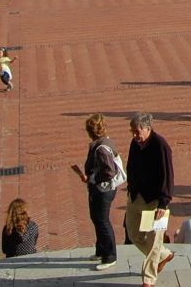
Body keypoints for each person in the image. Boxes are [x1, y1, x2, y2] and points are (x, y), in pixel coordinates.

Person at [125, 112, 175, 284]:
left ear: (147, 128)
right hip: (135, 197)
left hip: (155, 202)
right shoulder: (135, 143)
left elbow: (168, 175)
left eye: (137, 131)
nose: (134, 135)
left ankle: (148, 279)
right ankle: (164, 255)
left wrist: (163, 202)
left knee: (154, 240)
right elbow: (130, 165)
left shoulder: (161, 145)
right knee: (133, 235)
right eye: (132, 131)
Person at [68, 112, 119, 271]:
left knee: (102, 220)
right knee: (96, 218)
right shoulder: (105, 142)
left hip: (103, 190)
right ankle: (101, 250)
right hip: (101, 188)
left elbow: (109, 172)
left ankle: (110, 255)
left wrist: (92, 179)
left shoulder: (101, 148)